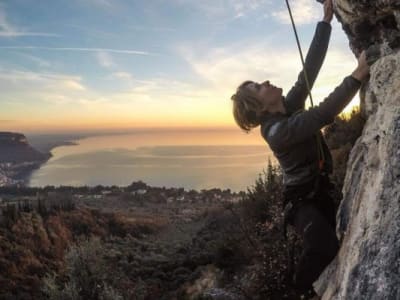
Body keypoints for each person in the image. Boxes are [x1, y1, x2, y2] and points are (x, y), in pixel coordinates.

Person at [230, 0, 370, 298]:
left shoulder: (286, 108)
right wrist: (357, 75)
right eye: (258, 87)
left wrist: (326, 22)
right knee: (323, 246)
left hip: (316, 192)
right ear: (258, 107)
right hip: (302, 203)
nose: (265, 82)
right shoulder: (278, 131)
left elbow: (309, 71)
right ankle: (297, 292)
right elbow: (321, 115)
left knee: (334, 242)